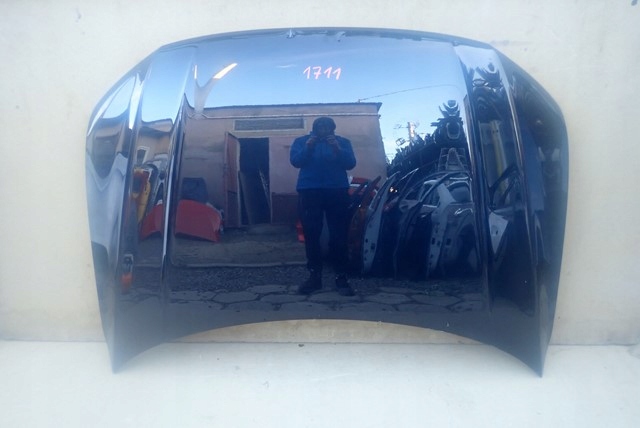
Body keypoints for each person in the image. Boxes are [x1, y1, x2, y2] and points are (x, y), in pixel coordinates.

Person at [290, 117, 356, 296]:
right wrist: (308, 147)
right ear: (315, 128)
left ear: (332, 128)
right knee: (312, 234)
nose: (324, 129)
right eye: (320, 126)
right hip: (310, 190)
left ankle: (341, 277)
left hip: (337, 190)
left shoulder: (342, 142)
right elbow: (296, 161)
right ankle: (314, 277)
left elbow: (350, 163)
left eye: (327, 127)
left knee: (339, 234)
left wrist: (337, 149)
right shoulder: (302, 141)